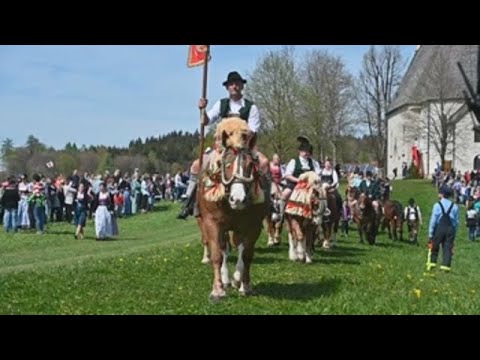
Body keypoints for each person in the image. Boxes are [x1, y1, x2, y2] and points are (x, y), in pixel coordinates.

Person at [177, 71, 269, 219]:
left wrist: (238, 138)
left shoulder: (251, 108)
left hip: (245, 148)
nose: (234, 86)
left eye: (237, 83)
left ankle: (265, 203)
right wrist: (202, 109)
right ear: (227, 87)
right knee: (196, 165)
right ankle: (189, 202)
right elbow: (206, 121)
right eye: (231, 84)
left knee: (264, 163)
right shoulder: (221, 104)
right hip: (222, 149)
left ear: (242, 86)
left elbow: (253, 131)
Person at [279, 137, 321, 218]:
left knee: (323, 195)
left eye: (307, 151)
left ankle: (321, 214)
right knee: (285, 194)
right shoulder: (294, 161)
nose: (306, 153)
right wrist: (298, 180)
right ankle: (280, 214)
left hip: (310, 185)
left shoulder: (314, 162)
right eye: (304, 151)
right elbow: (288, 175)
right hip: (295, 184)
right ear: (300, 151)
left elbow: (318, 174)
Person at [426, 186, 459, 272]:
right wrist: (454, 232)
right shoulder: (454, 206)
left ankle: (432, 264)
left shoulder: (437, 205)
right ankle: (446, 267)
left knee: (435, 246)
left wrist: (430, 234)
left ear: (442, 194)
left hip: (440, 228)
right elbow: (456, 222)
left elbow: (433, 220)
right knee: (447, 247)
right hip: (450, 228)